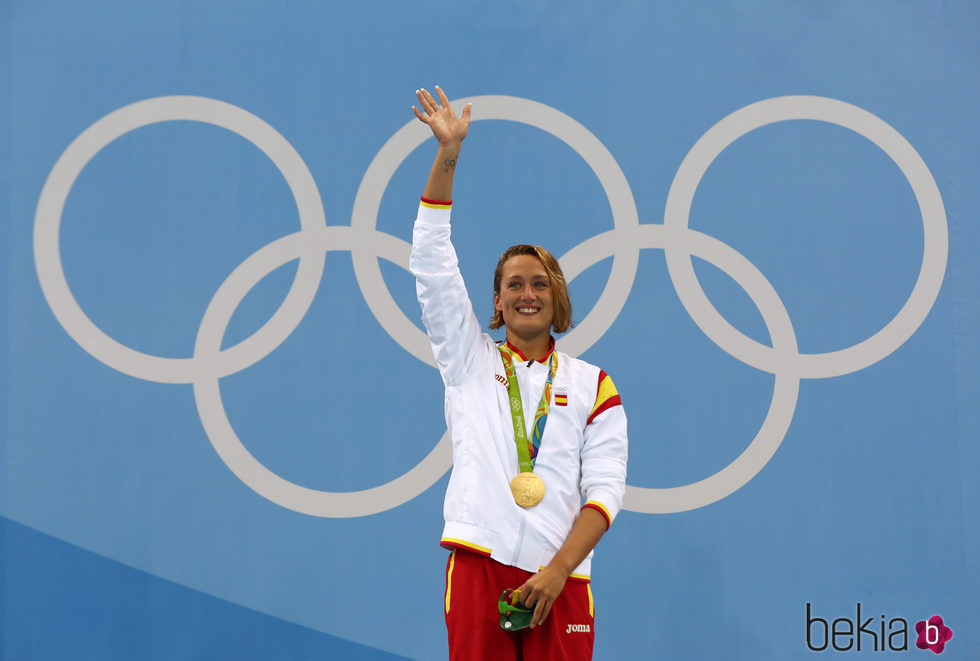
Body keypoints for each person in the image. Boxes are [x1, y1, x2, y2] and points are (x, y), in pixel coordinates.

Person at [409, 86, 628, 661]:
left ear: (557, 299)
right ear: (497, 304)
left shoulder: (592, 385)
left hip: (563, 580)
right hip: (481, 564)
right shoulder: (468, 361)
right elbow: (432, 261)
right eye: (513, 285)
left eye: (539, 284)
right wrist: (449, 153)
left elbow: (604, 494)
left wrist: (557, 573)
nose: (527, 294)